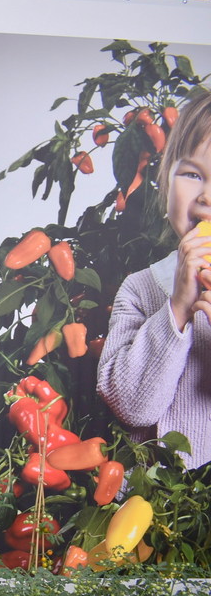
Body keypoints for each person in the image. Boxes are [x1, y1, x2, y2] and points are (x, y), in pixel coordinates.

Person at [98, 90, 211, 468]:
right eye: (192, 174)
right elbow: (130, 407)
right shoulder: (140, 289)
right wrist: (177, 308)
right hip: (149, 500)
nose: (206, 196)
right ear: (165, 181)